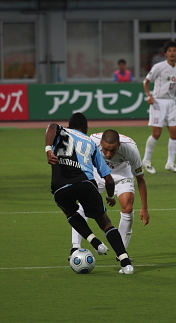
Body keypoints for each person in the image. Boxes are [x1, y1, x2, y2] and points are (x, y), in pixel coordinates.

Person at [45, 113, 134, 274]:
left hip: (60, 187)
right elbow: (109, 180)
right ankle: (126, 263)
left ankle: (94, 241)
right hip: (85, 184)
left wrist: (48, 150)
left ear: (68, 125)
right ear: (86, 128)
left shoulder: (61, 131)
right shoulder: (91, 143)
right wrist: (109, 196)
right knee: (106, 224)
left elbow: (51, 126)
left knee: (71, 213)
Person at [70, 129, 150, 256]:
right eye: (105, 149)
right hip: (99, 172)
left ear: (119, 145)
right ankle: (75, 247)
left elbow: (140, 179)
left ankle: (121, 252)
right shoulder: (92, 141)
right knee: (83, 204)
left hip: (122, 174)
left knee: (127, 207)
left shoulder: (131, 149)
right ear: (100, 143)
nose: (108, 154)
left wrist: (144, 208)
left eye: (112, 150)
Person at [142, 40, 176, 174]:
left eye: (174, 50)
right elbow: (146, 82)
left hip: (171, 102)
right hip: (158, 102)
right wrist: (149, 96)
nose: (172, 53)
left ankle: (170, 163)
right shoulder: (158, 67)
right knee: (156, 133)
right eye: (170, 51)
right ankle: (146, 160)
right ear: (166, 53)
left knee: (175, 133)